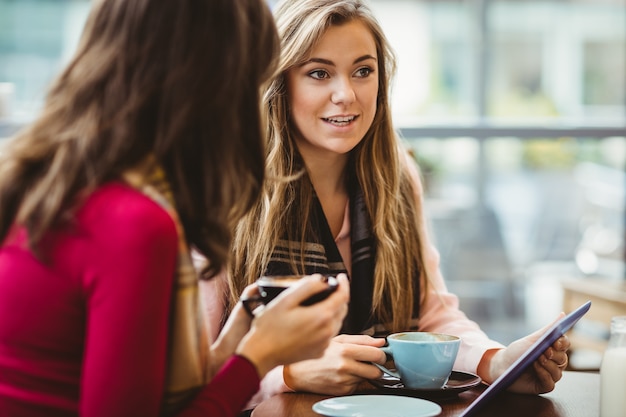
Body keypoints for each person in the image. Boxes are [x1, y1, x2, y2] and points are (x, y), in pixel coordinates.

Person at [0, 0, 350, 416]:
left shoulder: (47, 183)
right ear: (214, 89)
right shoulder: (135, 225)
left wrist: (234, 345)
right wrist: (259, 357)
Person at [222, 0, 571, 403]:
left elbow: (431, 312)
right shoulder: (228, 190)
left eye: (363, 71)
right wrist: (290, 374)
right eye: (319, 73)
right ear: (279, 82)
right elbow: (192, 376)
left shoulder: (397, 177)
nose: (346, 94)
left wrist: (496, 363)